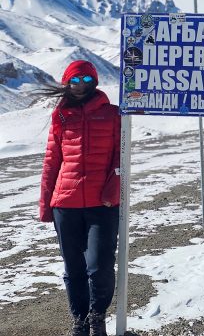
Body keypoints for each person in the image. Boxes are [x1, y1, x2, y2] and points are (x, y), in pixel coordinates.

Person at [38, 60, 120, 336]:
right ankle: (80, 320)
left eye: (87, 81)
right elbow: (52, 161)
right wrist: (45, 204)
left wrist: (114, 186)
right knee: (73, 268)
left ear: (95, 82)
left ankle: (98, 316)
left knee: (100, 265)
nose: (81, 86)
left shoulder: (112, 114)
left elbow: (122, 156)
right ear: (67, 83)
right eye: (76, 81)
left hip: (102, 204)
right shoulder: (61, 116)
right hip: (65, 204)